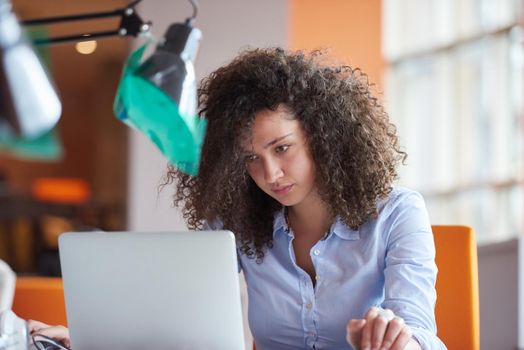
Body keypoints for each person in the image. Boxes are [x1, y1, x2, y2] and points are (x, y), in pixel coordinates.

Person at [30, 48, 446, 350]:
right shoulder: (238, 219)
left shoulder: (396, 214)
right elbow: (175, 313)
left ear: (323, 136)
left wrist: (394, 342)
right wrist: (91, 340)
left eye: (282, 148)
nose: (270, 175)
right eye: (250, 159)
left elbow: (423, 336)